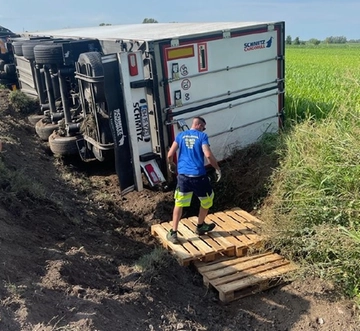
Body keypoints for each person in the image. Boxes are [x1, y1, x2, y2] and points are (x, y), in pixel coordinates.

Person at [167, 116, 221, 244]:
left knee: (179, 203)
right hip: (198, 176)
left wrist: (171, 164)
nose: (203, 130)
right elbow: (208, 155)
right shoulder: (202, 137)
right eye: (203, 127)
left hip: (183, 177)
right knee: (207, 199)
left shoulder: (181, 136)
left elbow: (170, 154)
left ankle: (174, 233)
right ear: (199, 125)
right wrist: (217, 168)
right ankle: (200, 226)